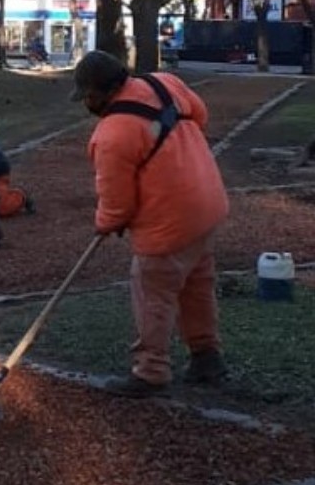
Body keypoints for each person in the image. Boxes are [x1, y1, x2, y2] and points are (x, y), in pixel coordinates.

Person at [69, 50, 230, 398]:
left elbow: (117, 202)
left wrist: (105, 223)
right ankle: (206, 356)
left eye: (88, 96)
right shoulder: (165, 82)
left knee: (153, 292)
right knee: (196, 283)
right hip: (207, 202)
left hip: (167, 222)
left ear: (100, 92)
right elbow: (199, 116)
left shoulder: (111, 135)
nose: (87, 103)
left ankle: (151, 370)